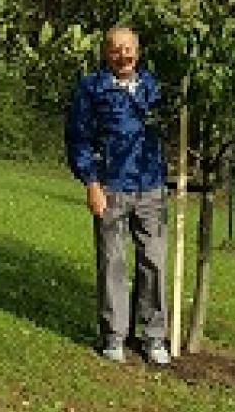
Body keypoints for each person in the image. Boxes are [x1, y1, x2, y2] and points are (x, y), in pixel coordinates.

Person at [65, 26, 170, 365]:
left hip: (150, 186)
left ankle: (154, 337)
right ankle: (114, 337)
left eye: (128, 49)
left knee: (153, 261)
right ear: (105, 53)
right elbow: (78, 138)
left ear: (138, 53)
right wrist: (91, 183)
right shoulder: (92, 88)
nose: (122, 55)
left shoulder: (154, 89)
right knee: (112, 261)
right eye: (115, 49)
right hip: (111, 187)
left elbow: (172, 128)